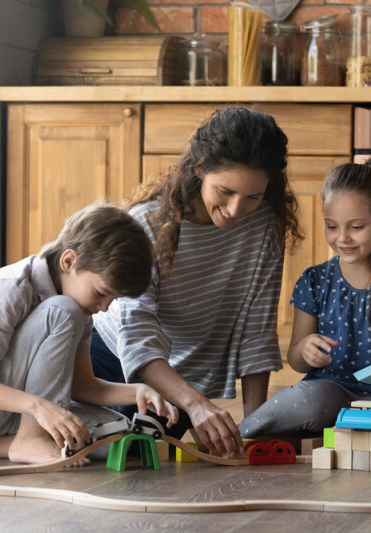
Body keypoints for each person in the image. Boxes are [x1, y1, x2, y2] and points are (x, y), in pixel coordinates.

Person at [90, 106, 303, 456]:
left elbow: (256, 330)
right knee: (122, 456)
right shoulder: (148, 223)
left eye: (253, 196)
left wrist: (254, 432)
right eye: (225, 191)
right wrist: (197, 405)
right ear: (200, 168)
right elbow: (137, 338)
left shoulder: (266, 224)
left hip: (182, 385)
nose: (236, 210)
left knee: (161, 460)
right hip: (112, 366)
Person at [0, 204, 178, 464]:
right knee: (63, 310)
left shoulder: (80, 307)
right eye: (101, 293)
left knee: (118, 434)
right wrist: (39, 408)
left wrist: (137, 391)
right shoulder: (15, 289)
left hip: (16, 408)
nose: (104, 307)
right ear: (69, 261)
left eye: (113, 300)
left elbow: (82, 385)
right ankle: (29, 439)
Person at [239, 159, 371, 437]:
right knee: (306, 402)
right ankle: (237, 436)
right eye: (332, 226)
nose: (342, 238)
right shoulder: (314, 281)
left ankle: (343, 431)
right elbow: (295, 359)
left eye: (355, 227)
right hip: (327, 390)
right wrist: (306, 349)